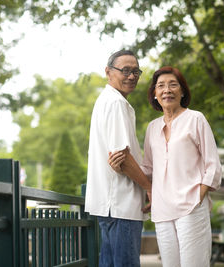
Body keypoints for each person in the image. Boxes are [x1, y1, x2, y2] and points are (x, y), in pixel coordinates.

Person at [109, 66, 222, 267]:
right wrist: (122, 167)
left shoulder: (195, 119)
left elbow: (212, 165)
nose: (166, 90)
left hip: (191, 207)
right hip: (162, 212)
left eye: (173, 85)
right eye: (160, 86)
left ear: (183, 91)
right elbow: (149, 169)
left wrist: (199, 196)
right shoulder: (152, 128)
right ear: (154, 94)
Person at [84, 50, 152, 267]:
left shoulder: (107, 100)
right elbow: (121, 158)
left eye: (136, 71)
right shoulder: (115, 103)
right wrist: (149, 188)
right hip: (121, 205)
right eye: (125, 70)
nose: (131, 76)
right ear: (108, 72)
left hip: (110, 206)